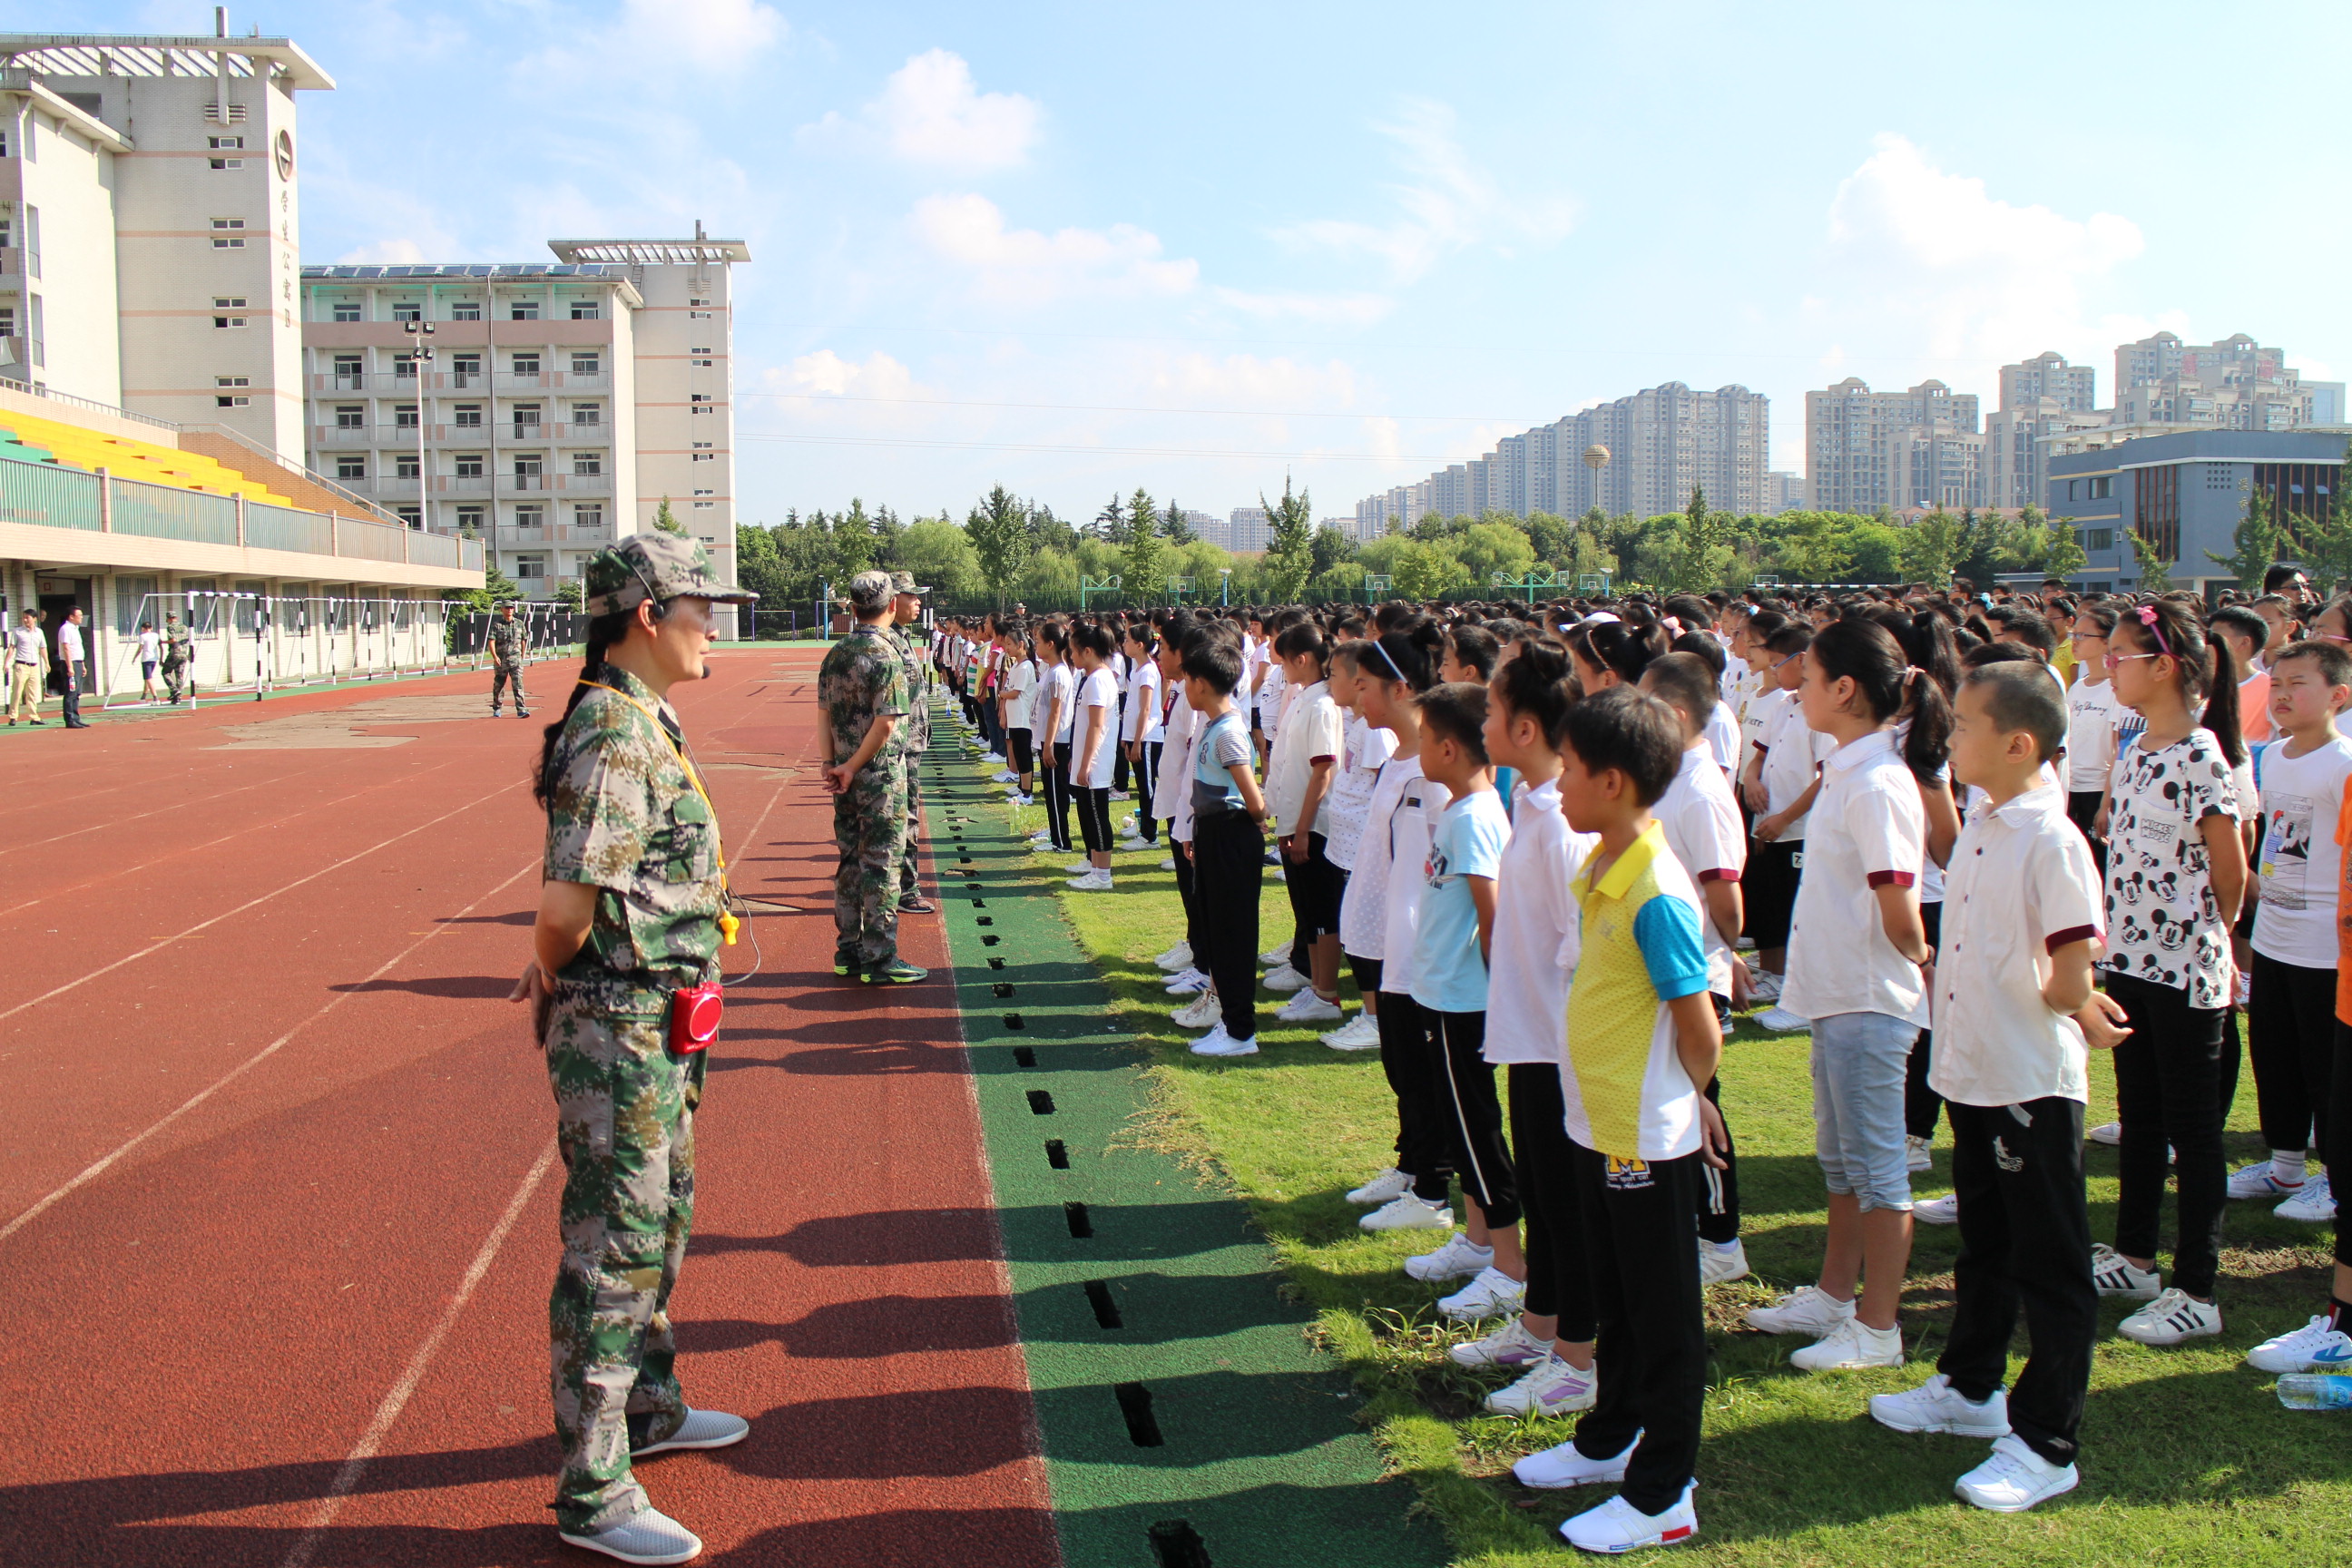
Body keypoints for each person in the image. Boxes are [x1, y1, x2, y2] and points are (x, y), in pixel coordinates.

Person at [509, 533, 757, 1567]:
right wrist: (550, 972)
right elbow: (566, 908)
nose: (715, 630)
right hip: (620, 1024)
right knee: (616, 1244)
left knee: (662, 1221)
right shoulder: (614, 730)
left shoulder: (644, 715)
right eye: (704, 611)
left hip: (659, 1021)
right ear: (648, 615)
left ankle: (646, 1409)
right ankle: (595, 1488)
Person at [1868, 662, 2117, 1514]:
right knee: (1987, 1245)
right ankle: (1971, 1388)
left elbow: (2072, 968)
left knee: (2050, 1263)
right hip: (1972, 1072)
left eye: (1967, 725)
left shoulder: (2051, 838)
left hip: (2026, 1080)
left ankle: (2047, 1441)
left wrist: (2072, 1005)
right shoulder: (1984, 818)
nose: (1952, 737)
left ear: (2018, 745)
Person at [1511, 685, 1721, 1556]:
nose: (1557, 784)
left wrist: (1690, 1097)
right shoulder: (1603, 865)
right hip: (1593, 1124)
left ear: (1613, 781)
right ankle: (1610, 1437)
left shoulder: (1657, 892)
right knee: (1620, 1302)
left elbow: (1699, 1029)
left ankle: (1665, 1492)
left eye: (1570, 770)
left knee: (1661, 1317)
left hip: (1644, 1139)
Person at [1745, 617, 1947, 1371]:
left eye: (1808, 678)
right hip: (1836, 994)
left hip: (1869, 997)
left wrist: (1921, 959)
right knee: (1840, 1162)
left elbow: (1899, 901)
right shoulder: (1850, 768)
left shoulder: (1878, 780)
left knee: (1878, 1170)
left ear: (1845, 689)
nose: (1795, 689)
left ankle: (1879, 1326)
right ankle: (1834, 1297)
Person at [2092, 601, 2246, 1345]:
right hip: (2129, 961)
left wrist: (2202, 935)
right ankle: (2135, 1258)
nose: (2108, 666)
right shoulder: (2135, 746)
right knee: (2141, 1117)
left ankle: (2198, 1289)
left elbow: (2230, 874)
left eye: (2120, 654)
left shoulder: (2202, 755)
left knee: (2194, 1130)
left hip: (2185, 970)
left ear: (2164, 667)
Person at [1456, 640, 1601, 1419]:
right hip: (1529, 1038)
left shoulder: (1565, 823)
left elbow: (1584, 951)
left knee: (1568, 1209)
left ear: (1525, 728)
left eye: (1491, 709)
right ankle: (1541, 1324)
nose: (1482, 721)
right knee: (1543, 1199)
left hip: (1561, 1047)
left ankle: (1579, 1358)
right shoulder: (1538, 806)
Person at [1639, 651, 1751, 1285]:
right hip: (1665, 968)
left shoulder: (1702, 790)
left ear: (1677, 713)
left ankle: (1720, 1238)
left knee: (1699, 1101)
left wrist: (1727, 954)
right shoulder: (1670, 778)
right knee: (1675, 1098)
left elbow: (1724, 895)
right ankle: (1690, 1223)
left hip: (1697, 972)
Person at [2231, 638, 2352, 1220]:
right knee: (2274, 1055)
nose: (2280, 694)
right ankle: (2284, 1165)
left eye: (2297, 684)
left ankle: (2335, 1179)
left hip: (2325, 949)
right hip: (2275, 936)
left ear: (2338, 695)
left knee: (2325, 1065)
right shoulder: (2275, 755)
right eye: (2276, 683)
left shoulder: (2344, 764)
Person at [818, 570, 923, 985]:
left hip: (844, 775)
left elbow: (823, 714)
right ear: (891, 604)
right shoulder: (885, 654)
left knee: (849, 860)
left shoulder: (836, 653)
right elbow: (886, 723)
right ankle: (879, 958)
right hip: (879, 776)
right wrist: (851, 766)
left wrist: (832, 763)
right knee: (881, 864)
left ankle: (848, 950)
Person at [1178, 632, 1269, 1055]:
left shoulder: (1228, 731)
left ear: (1201, 683)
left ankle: (1240, 1032)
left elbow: (1255, 801)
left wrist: (1244, 824)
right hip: (1214, 834)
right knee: (1217, 930)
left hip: (1231, 837)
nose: (1184, 687)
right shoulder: (1215, 726)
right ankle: (1230, 1023)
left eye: (1187, 680)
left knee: (1233, 934)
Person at [1265, 622, 1347, 1024]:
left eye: (1284, 660)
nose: (1281, 668)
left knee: (1322, 912)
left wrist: (1302, 829)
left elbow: (1323, 769)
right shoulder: (1305, 698)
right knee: (1308, 911)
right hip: (1295, 820)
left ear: (1301, 659)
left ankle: (1327, 994)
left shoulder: (1322, 705)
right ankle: (1316, 986)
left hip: (1313, 825)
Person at [887, 572, 936, 916]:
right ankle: (906, 890)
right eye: (911, 596)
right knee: (905, 818)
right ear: (893, 600)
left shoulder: (901, 636)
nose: (918, 602)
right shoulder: (888, 641)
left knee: (907, 816)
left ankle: (903, 887)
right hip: (900, 745)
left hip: (911, 742)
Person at [489, 600, 532, 719]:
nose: (509, 610)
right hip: (501, 660)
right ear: (502, 609)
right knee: (499, 685)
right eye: (507, 608)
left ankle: (521, 709)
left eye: (511, 608)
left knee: (518, 684)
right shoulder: (497, 625)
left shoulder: (519, 623)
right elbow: (491, 641)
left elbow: (523, 640)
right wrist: (495, 656)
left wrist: (523, 654)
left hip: (516, 660)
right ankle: (497, 708)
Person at [7, 608, 45, 724]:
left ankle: (34, 717)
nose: (25, 620)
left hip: (34, 666)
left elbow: (42, 648)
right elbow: (12, 647)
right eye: (24, 618)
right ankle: (13, 716)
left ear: (34, 619)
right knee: (17, 691)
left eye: (27, 618)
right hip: (21, 665)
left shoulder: (39, 632)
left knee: (32, 693)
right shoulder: (18, 631)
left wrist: (46, 662)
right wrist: (6, 662)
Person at [55, 605, 89, 729]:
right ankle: (69, 719)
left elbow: (78, 649)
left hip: (78, 662)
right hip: (70, 663)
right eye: (79, 615)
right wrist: (70, 667)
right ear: (71, 617)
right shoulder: (66, 629)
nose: (81, 618)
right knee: (71, 692)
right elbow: (66, 648)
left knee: (77, 692)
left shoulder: (76, 629)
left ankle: (76, 717)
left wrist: (82, 665)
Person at [161, 610, 191, 704]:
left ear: (169, 619)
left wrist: (163, 642)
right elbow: (190, 639)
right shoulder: (184, 627)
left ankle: (174, 690)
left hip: (175, 653)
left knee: (165, 672)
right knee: (179, 675)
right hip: (184, 653)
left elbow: (173, 639)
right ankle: (178, 697)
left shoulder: (171, 627)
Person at [136, 620, 162, 701]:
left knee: (148, 678)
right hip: (154, 658)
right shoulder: (156, 635)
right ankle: (144, 696)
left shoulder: (142, 636)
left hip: (146, 659)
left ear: (143, 628)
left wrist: (135, 657)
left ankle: (155, 697)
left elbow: (140, 649)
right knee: (147, 677)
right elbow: (160, 646)